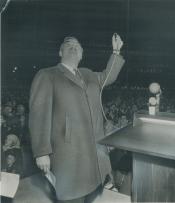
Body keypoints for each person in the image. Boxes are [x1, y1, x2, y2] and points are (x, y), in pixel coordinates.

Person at [29, 34, 125, 202]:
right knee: (72, 198)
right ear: (60, 52)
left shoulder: (89, 74)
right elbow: (38, 115)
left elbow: (109, 76)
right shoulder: (47, 75)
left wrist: (116, 51)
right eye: (68, 44)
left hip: (96, 159)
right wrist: (41, 151)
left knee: (95, 195)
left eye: (77, 45)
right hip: (69, 158)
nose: (73, 46)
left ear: (82, 54)